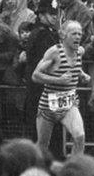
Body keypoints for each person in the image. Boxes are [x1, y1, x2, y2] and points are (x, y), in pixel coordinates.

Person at [32, 20, 90, 156]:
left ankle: (75, 170)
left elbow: (73, 67)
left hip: (69, 104)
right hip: (48, 106)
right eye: (74, 33)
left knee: (79, 136)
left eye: (79, 34)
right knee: (42, 144)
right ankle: (36, 170)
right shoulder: (54, 52)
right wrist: (58, 80)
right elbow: (35, 75)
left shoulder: (79, 51)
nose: (77, 37)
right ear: (63, 35)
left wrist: (82, 74)